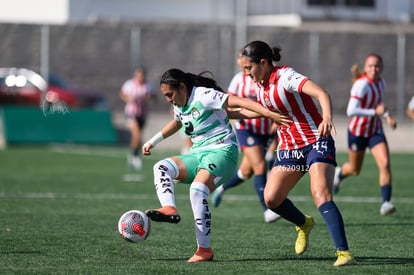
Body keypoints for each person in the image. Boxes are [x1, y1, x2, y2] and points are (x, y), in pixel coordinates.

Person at [142, 68, 290, 263]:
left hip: (223, 152)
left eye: (170, 94)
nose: (168, 99)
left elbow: (239, 102)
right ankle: (169, 208)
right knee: (161, 167)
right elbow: (177, 122)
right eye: (165, 96)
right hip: (198, 154)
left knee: (197, 190)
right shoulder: (179, 102)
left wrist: (269, 113)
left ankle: (204, 250)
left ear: (182, 87)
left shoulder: (203, 95)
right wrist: (153, 141)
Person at [238, 40, 355, 266]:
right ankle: (304, 223)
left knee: (320, 193)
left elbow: (321, 93)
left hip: (316, 141)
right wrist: (226, 113)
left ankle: (344, 253)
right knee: (271, 198)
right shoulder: (259, 85)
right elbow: (258, 112)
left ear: (263, 63)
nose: (246, 73)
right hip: (289, 148)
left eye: (248, 68)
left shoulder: (286, 77)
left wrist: (327, 117)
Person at [212, 52, 281, 223]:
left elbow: (274, 100)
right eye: (239, 59)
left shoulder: (265, 78)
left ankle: (222, 187)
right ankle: (267, 209)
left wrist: (275, 118)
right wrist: (235, 120)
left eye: (244, 59)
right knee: (260, 165)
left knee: (246, 172)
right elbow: (228, 103)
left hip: (265, 130)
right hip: (246, 129)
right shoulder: (238, 80)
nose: (240, 62)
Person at [333, 55, 397, 216]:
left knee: (385, 163)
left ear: (381, 67)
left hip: (375, 131)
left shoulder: (381, 82)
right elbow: (351, 111)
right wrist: (375, 112)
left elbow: (379, 105)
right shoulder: (361, 85)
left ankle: (386, 203)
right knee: (354, 170)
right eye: (370, 66)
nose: (374, 69)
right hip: (358, 132)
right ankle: (339, 174)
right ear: (365, 67)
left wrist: (387, 116)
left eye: (377, 66)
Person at [119, 67, 155, 170]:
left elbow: (154, 96)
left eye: (142, 74)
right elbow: (122, 93)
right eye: (138, 74)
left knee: (138, 137)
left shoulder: (148, 86)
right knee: (137, 134)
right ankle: (135, 157)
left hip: (143, 114)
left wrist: (149, 98)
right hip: (131, 113)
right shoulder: (129, 84)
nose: (140, 77)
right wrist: (128, 99)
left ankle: (132, 154)